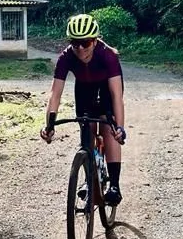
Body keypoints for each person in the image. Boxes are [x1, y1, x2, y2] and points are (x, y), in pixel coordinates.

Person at [40, 13, 126, 204]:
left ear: (95, 41)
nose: (79, 48)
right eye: (74, 42)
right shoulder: (66, 57)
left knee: (108, 128)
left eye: (85, 43)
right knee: (86, 129)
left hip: (107, 89)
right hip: (84, 89)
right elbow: (55, 94)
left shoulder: (108, 55)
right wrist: (49, 125)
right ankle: (89, 179)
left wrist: (119, 127)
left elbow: (116, 97)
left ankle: (114, 186)